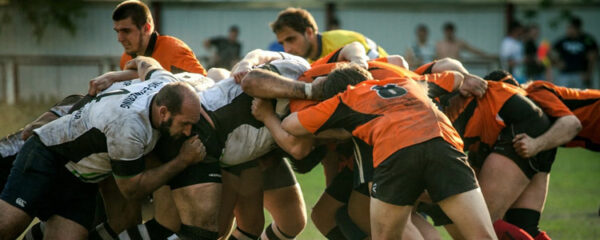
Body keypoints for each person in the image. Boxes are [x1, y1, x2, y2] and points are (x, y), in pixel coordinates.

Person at [261, 63, 496, 239]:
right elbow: (454, 78)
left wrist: (339, 128)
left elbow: (291, 125)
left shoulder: (346, 97)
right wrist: (466, 80)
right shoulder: (408, 83)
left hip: (396, 155)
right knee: (483, 236)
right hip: (443, 147)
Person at [0, 56, 206, 239]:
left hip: (81, 181)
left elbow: (147, 62)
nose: (188, 132)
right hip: (48, 156)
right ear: (163, 112)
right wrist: (183, 160)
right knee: (9, 226)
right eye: (184, 124)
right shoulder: (129, 126)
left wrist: (116, 74)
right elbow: (132, 189)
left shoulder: (165, 82)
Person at [114, 0, 206, 75]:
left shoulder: (174, 51)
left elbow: (204, 85)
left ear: (146, 28)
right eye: (117, 31)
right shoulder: (126, 59)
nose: (120, 38)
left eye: (126, 31)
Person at [270, 7, 388, 63]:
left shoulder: (344, 42)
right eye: (282, 43)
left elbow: (380, 70)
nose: (287, 49)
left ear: (309, 32)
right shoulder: (311, 63)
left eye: (291, 39)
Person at [552, 16, 598, 89]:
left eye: (570, 28)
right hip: (564, 74)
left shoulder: (587, 40)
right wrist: (556, 63)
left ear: (577, 28)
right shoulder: (563, 40)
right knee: (562, 97)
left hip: (580, 74)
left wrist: (588, 73)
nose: (568, 30)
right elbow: (549, 52)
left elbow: (592, 58)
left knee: (581, 97)